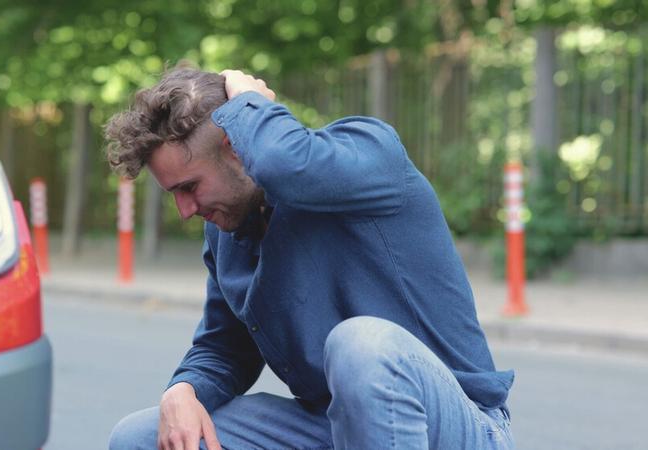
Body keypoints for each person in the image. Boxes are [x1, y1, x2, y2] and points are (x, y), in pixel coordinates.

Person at [104, 66, 515, 450]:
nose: (185, 210)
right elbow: (224, 348)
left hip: (456, 427)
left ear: (236, 147)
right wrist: (184, 390)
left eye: (190, 186)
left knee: (361, 344)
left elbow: (287, 165)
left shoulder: (366, 156)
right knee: (139, 438)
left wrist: (249, 103)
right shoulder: (226, 232)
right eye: (174, 192)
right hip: (332, 429)